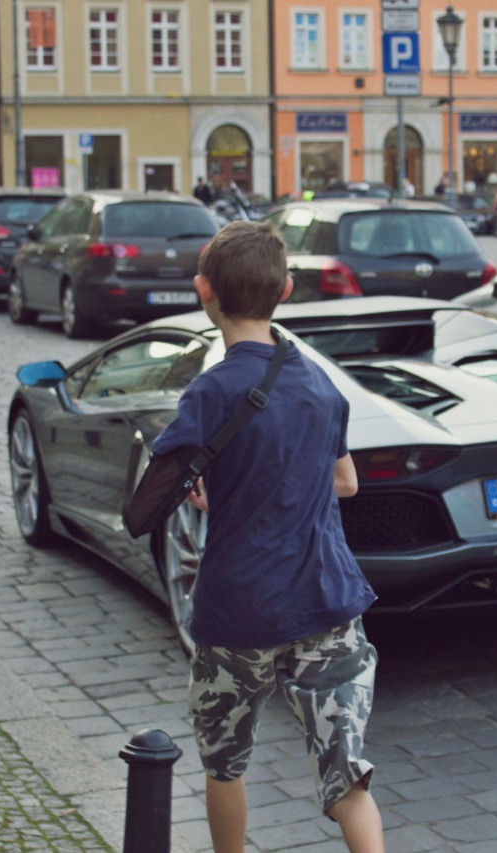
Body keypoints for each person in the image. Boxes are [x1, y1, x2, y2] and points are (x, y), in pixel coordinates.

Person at [150, 221, 383, 853]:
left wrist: (204, 480)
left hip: (241, 610)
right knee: (347, 781)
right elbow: (346, 483)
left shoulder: (212, 389)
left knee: (225, 763)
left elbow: (149, 501)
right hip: (326, 601)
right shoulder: (319, 384)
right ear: (284, 289)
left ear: (205, 291)